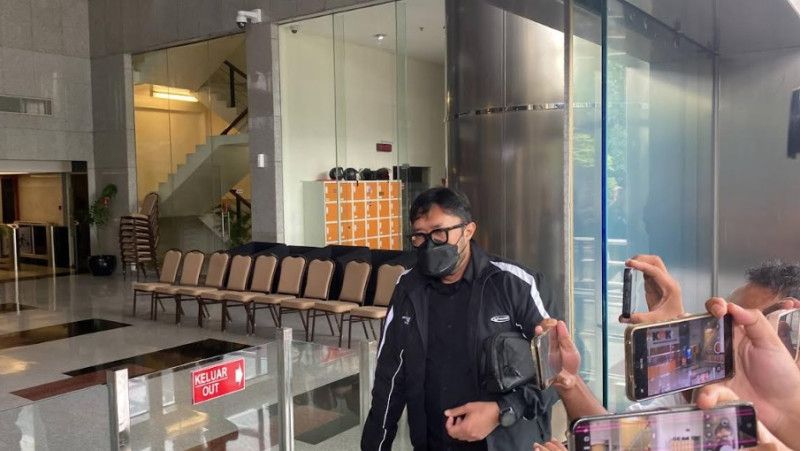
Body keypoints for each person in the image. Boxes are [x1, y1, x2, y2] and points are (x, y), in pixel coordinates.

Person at [361, 187, 563, 450]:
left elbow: (559, 375)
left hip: (505, 443)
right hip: (433, 441)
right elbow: (390, 374)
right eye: (420, 236)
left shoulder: (516, 284)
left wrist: (503, 410)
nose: (429, 244)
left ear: (468, 231)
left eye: (439, 232)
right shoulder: (408, 288)